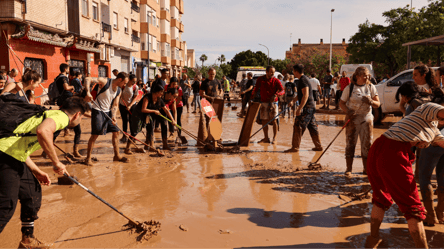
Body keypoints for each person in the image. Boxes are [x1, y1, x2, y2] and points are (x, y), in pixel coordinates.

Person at [0, 96, 89, 249]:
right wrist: (56, 162)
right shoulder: (61, 118)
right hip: (4, 156)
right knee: (5, 206)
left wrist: (37, 170)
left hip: (13, 154)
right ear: (77, 115)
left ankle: (28, 241)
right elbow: (43, 131)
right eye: (82, 117)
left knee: (31, 192)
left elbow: (18, 145)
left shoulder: (51, 114)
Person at [365, 101, 444, 249]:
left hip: (381, 147)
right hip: (393, 151)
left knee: (381, 197)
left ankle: (372, 239)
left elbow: (441, 142)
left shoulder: (434, 130)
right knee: (413, 207)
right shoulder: (426, 108)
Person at [395, 81, 444, 226]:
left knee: (424, 179)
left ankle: (431, 216)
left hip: (432, 142)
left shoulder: (413, 106)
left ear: (404, 96)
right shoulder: (430, 99)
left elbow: (411, 132)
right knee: (442, 178)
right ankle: (441, 213)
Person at [339, 66, 380, 176]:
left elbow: (378, 104)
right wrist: (348, 111)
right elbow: (341, 103)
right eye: (364, 75)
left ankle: (366, 170)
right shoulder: (350, 88)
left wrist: (371, 101)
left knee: (367, 145)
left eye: (368, 76)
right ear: (357, 76)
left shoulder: (371, 87)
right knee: (350, 144)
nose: (367, 77)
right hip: (352, 119)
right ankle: (349, 169)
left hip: (367, 119)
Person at [84, 73, 129, 166]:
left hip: (108, 112)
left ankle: (117, 156)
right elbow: (88, 79)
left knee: (116, 132)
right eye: (124, 83)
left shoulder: (119, 90)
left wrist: (113, 116)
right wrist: (87, 92)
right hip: (97, 110)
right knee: (94, 135)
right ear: (120, 79)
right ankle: (87, 159)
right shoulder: (105, 81)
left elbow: (115, 105)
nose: (125, 85)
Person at [126, 84, 176, 153]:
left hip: (148, 115)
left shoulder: (159, 99)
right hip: (138, 114)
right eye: (160, 92)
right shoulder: (147, 97)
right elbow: (143, 109)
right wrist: (154, 111)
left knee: (152, 127)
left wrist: (173, 120)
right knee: (135, 131)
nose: (162, 94)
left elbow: (166, 110)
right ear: (156, 92)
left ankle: (153, 146)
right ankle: (127, 148)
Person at [285, 64, 322, 152]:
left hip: (307, 108)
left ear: (296, 71)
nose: (293, 73)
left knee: (298, 125)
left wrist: (299, 108)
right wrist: (292, 101)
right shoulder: (303, 79)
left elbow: (305, 95)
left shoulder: (303, 80)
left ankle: (295, 147)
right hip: (310, 107)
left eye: (293, 71)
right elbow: (300, 95)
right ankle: (318, 146)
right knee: (313, 127)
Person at [251, 66, 284, 144]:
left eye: (273, 72)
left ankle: (274, 138)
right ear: (266, 72)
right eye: (271, 72)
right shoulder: (260, 79)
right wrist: (252, 97)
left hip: (274, 103)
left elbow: (283, 91)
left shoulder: (276, 81)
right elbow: (255, 89)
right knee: (264, 120)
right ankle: (266, 138)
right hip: (263, 102)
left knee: (274, 121)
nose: (273, 73)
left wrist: (276, 95)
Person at [119, 74, 139, 143]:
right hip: (123, 105)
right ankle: (124, 136)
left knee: (132, 121)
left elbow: (135, 97)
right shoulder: (123, 86)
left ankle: (132, 136)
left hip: (132, 105)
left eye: (135, 81)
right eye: (133, 81)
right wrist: (120, 96)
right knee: (125, 120)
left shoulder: (135, 87)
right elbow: (119, 94)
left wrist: (130, 106)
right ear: (129, 80)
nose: (134, 83)